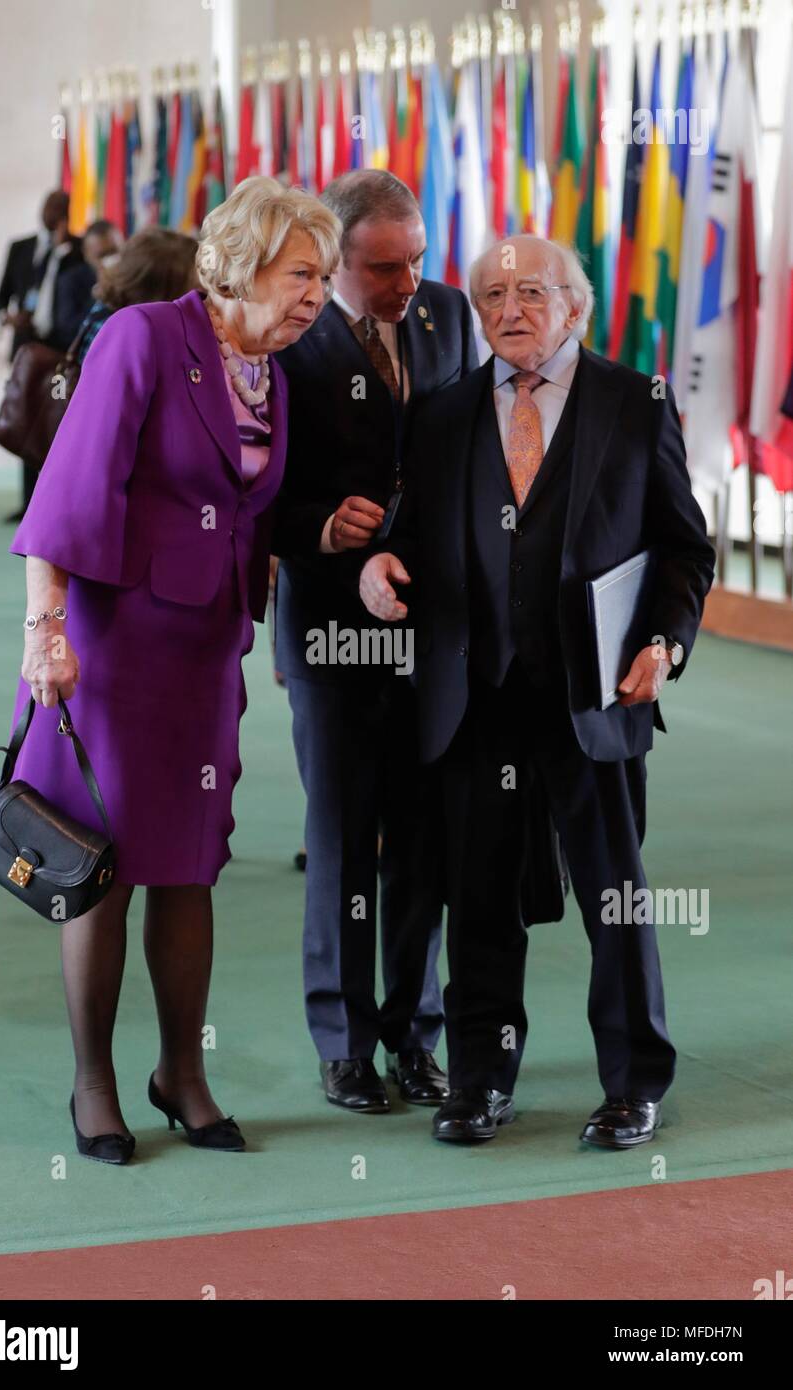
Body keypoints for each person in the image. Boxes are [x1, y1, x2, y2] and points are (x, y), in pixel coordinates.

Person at [7, 177, 341, 1164]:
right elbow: (71, 489)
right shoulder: (146, 338)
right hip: (116, 646)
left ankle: (181, 1075)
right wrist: (46, 629)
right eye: (299, 274)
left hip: (205, 653)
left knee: (189, 866)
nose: (314, 295)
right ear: (241, 265)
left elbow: (251, 517)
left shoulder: (273, 374)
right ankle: (94, 1084)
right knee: (102, 867)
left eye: (322, 278)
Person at [359, 234, 716, 1148]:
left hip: (594, 697)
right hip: (473, 700)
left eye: (530, 292)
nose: (510, 311)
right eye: (490, 297)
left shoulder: (636, 404)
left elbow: (683, 547)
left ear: (576, 305)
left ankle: (634, 1084)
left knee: (616, 901)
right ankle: (479, 1082)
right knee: (478, 901)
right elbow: (407, 537)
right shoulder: (439, 416)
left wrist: (664, 646)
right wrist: (380, 566)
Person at [272, 170, 478, 1115]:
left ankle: (414, 1034)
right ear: (338, 253)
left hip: (430, 625)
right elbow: (257, 496)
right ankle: (344, 1042)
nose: (408, 285)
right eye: (384, 268)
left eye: (419, 262)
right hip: (328, 618)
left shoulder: (447, 315)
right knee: (346, 836)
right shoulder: (291, 333)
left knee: (424, 840)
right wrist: (327, 536)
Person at [0, 190, 96, 519]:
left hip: (62, 351)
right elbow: (0, 297)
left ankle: (52, 501)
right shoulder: (21, 249)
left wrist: (64, 249)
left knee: (57, 422)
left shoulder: (80, 252)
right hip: (29, 349)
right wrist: (7, 318)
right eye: (48, 208)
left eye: (59, 209)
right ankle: (27, 502)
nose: (52, 214)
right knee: (27, 418)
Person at [75, 226, 199, 364]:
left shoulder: (112, 304)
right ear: (160, 293)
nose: (198, 295)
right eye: (191, 286)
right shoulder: (124, 335)